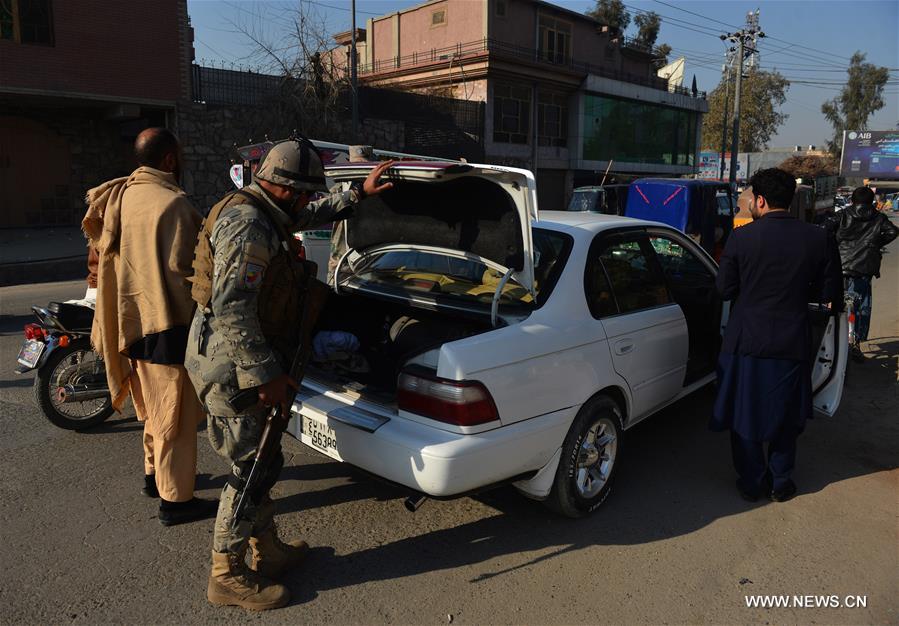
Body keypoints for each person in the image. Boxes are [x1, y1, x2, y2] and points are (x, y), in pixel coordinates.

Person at [185, 138, 395, 611]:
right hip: (232, 367)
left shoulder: (264, 209)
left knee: (265, 457)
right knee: (251, 467)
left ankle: (268, 549)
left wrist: (356, 194)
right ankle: (226, 574)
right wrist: (266, 376)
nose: (305, 203)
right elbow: (233, 309)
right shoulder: (247, 225)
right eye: (303, 195)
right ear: (285, 189)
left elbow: (304, 216)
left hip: (235, 359)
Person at [90, 128, 216, 526]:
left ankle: (153, 477)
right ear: (169, 160)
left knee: (152, 406)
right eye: (181, 155)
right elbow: (191, 271)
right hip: (167, 321)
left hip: (132, 320)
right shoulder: (173, 203)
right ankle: (176, 501)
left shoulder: (124, 194)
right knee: (174, 417)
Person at [711, 168, 843, 503]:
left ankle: (752, 482)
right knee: (787, 413)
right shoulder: (818, 238)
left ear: (760, 200)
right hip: (792, 340)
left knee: (745, 412)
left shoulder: (741, 238)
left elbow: (724, 289)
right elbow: (830, 295)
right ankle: (781, 481)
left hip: (746, 340)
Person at [827, 186, 899, 361]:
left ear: (852, 200)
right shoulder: (878, 217)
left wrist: (834, 243)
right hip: (864, 268)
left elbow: (824, 229)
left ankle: (831, 339)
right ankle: (856, 343)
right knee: (862, 306)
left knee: (835, 302)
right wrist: (874, 244)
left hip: (840, 266)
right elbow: (893, 232)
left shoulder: (842, 214)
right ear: (872, 201)